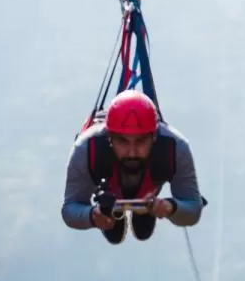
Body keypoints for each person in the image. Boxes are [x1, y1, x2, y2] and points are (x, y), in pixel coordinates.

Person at [62, 89, 204, 244]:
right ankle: (120, 211)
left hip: (148, 191)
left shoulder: (175, 148)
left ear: (154, 137)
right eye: (123, 141)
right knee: (114, 232)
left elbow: (193, 209)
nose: (132, 152)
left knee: (143, 231)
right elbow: (69, 209)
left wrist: (169, 207)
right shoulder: (86, 148)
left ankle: (145, 209)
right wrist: (92, 215)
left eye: (141, 141)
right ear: (109, 138)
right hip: (113, 194)